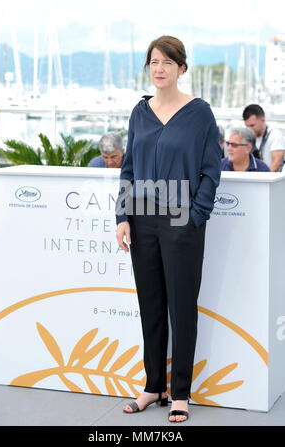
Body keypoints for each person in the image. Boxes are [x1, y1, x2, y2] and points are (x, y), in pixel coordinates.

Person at [115, 35, 221, 423]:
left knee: (181, 308)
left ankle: (180, 393)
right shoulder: (139, 112)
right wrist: (122, 217)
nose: (159, 69)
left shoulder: (199, 113)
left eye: (167, 62)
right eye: (153, 62)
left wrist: (196, 217)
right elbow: (128, 169)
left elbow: (211, 170)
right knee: (152, 307)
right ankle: (152, 386)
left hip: (181, 221)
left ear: (181, 68)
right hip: (141, 219)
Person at [243, 104, 285, 171]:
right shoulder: (247, 137)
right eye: (247, 126)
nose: (249, 129)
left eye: (252, 125)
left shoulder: (275, 135)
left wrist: (263, 179)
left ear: (262, 120)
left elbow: (277, 163)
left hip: (268, 178)